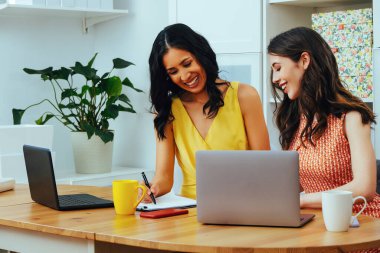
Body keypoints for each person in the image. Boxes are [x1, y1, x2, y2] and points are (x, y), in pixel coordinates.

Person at [144, 23, 270, 201]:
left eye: (187, 64)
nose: (185, 76)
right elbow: (164, 178)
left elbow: (264, 167)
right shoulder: (166, 111)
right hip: (191, 211)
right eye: (173, 72)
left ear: (200, 54)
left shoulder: (245, 96)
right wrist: (151, 190)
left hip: (244, 204)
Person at [268, 27, 380, 219]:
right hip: (320, 224)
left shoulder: (351, 116)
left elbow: (365, 187)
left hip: (361, 224)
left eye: (278, 68)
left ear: (304, 60)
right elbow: (300, 183)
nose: (275, 79)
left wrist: (301, 201)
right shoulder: (296, 120)